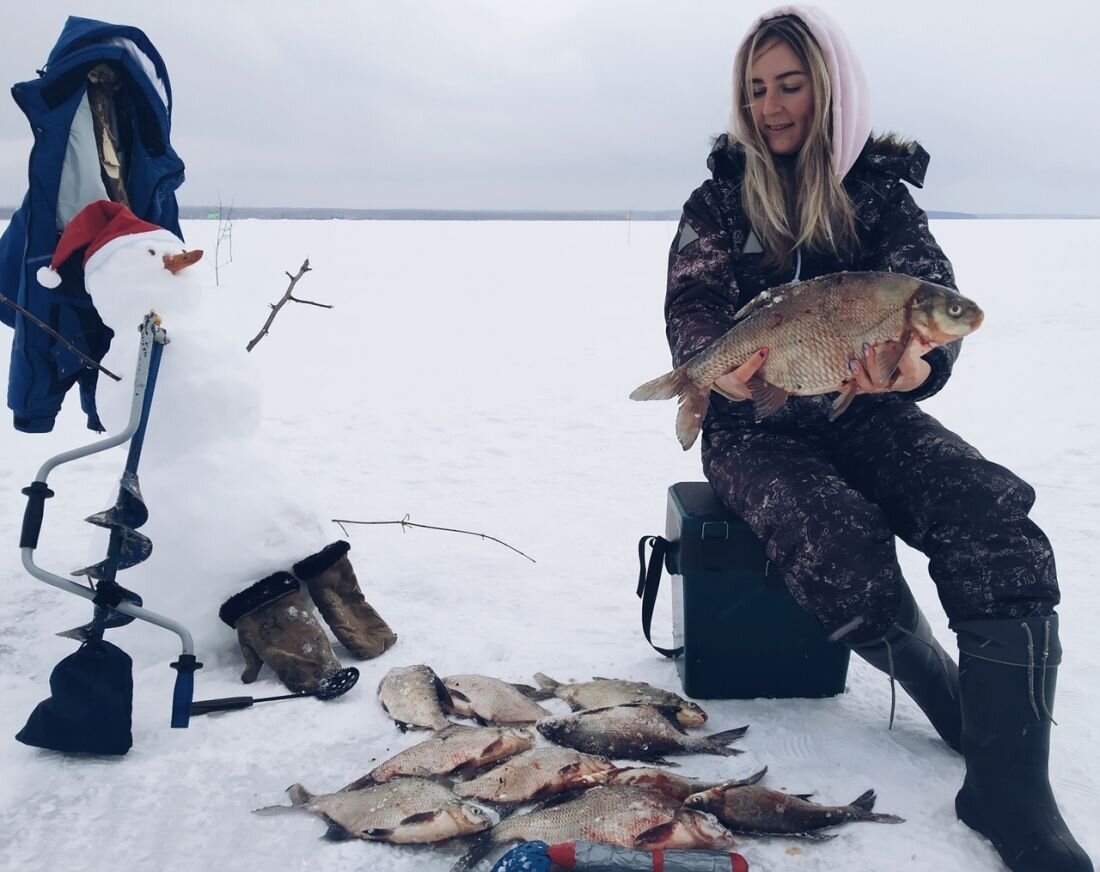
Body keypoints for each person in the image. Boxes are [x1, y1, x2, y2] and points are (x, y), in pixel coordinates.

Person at [662, 6, 1091, 871]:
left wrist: (916, 373)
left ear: (830, 89)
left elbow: (938, 308)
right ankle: (939, 685)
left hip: (870, 413)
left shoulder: (881, 194)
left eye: (791, 85)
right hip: (757, 426)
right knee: (836, 538)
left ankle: (1011, 794)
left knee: (993, 517)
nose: (773, 107)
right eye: (756, 90)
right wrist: (720, 372)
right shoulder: (716, 200)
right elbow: (692, 309)